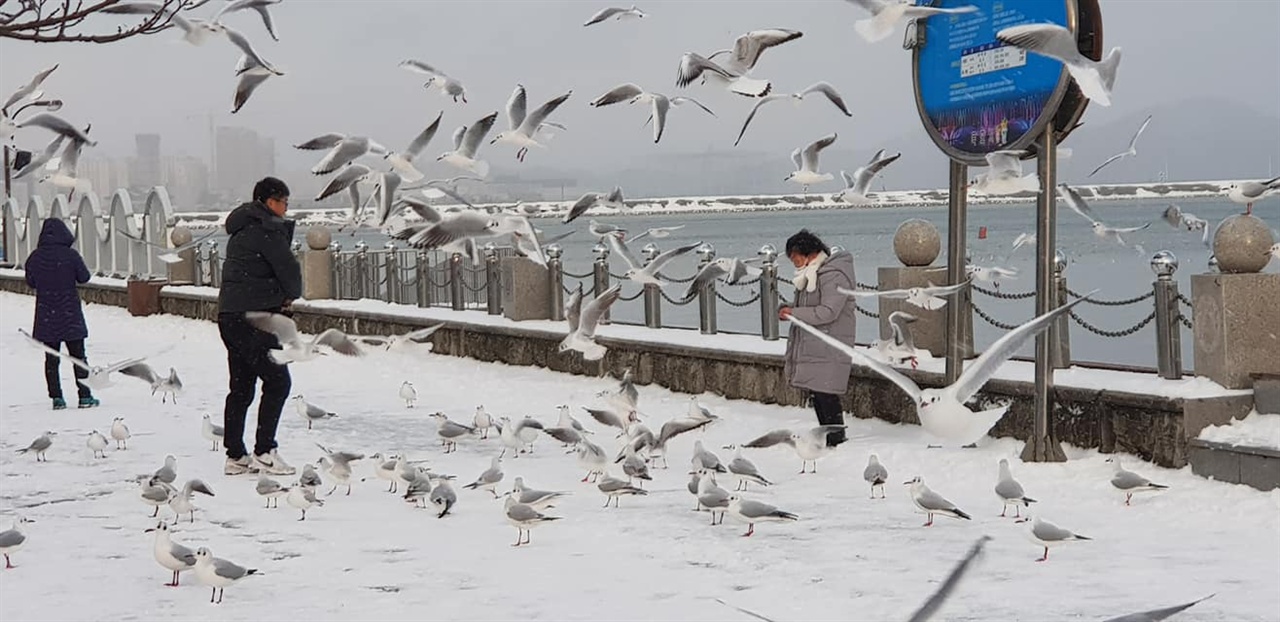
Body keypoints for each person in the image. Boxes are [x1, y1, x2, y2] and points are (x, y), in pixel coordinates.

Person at [217, 177, 302, 476]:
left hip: (229, 316)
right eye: (283, 202)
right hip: (255, 318)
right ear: (269, 201)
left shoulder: (241, 230)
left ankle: (235, 455)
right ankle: (265, 451)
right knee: (278, 382)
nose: (286, 208)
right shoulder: (268, 231)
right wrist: (288, 295)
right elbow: (290, 272)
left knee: (240, 387)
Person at [779, 229, 857, 447]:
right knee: (819, 392)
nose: (793, 262)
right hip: (818, 342)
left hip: (830, 341)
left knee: (827, 392)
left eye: (794, 256)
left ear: (807, 252)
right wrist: (788, 310)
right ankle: (828, 435)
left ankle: (836, 438)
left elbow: (828, 311)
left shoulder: (832, 274)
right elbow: (811, 307)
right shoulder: (811, 274)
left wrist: (794, 313)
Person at [25, 218, 98, 410]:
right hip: (69, 313)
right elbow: (84, 277)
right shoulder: (71, 255)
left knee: (51, 358)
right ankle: (85, 395)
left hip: (46, 313)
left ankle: (57, 398)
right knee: (78, 357)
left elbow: (31, 282)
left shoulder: (35, 257)